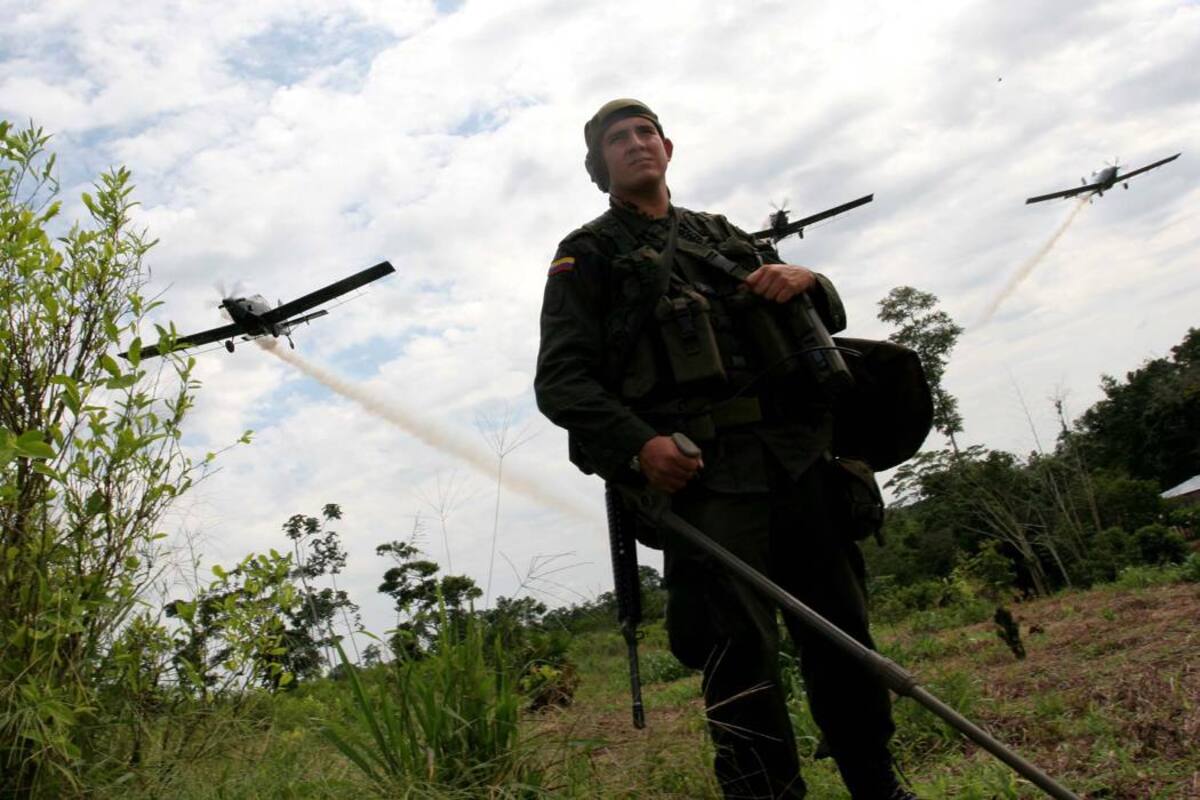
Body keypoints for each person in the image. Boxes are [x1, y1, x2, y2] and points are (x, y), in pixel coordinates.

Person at [534, 98, 917, 800]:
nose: (635, 144)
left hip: (800, 461)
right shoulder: (586, 255)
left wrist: (811, 279)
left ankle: (877, 784)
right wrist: (640, 445)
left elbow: (820, 316)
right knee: (739, 661)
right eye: (617, 139)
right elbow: (560, 382)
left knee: (845, 641)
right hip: (707, 483)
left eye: (646, 132)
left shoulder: (726, 237)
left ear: (668, 149)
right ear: (600, 166)